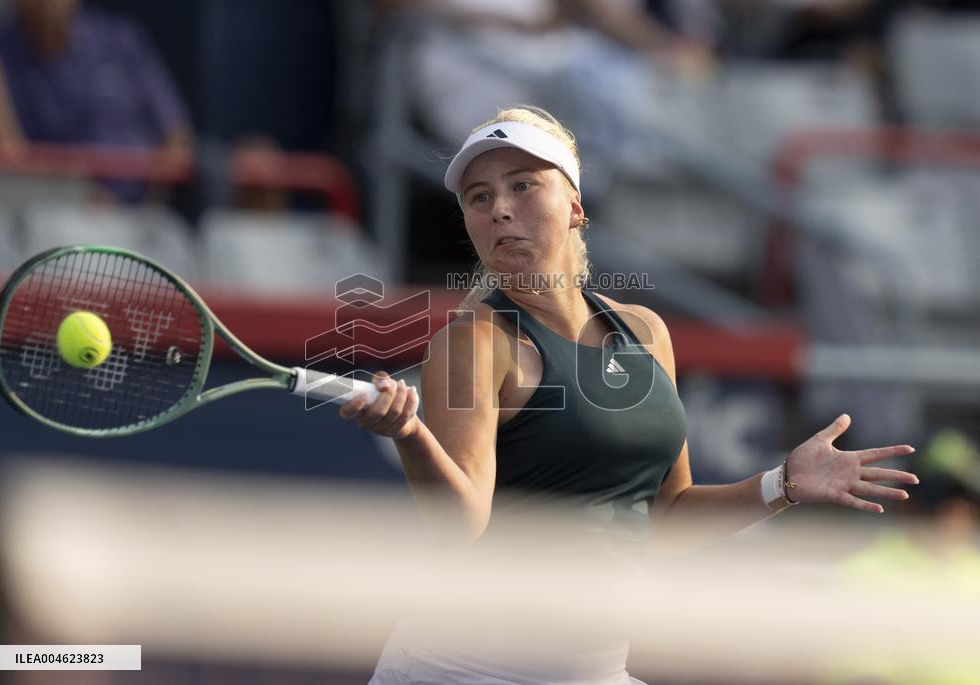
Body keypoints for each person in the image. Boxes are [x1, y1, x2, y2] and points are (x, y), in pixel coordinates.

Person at [339, 105, 920, 684]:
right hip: (463, 668)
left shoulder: (645, 331)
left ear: (574, 206)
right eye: (479, 197)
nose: (501, 210)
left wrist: (782, 484)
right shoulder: (474, 343)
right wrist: (411, 434)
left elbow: (665, 514)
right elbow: (461, 525)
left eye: (523, 185)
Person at [0, 0, 193, 203]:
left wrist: (150, 208)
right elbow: (11, 156)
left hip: (139, 212)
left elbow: (175, 134)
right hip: (47, 209)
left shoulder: (120, 40)